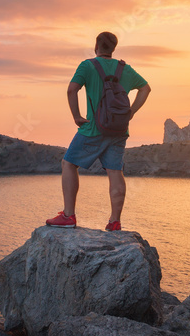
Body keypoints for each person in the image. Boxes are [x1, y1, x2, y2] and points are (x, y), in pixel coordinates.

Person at [45, 31, 151, 231]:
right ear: (113, 48)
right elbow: (146, 88)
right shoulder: (125, 69)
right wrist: (131, 112)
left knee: (68, 164)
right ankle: (114, 222)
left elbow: (71, 90)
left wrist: (76, 116)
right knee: (115, 171)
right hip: (119, 130)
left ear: (96, 47)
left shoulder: (87, 66)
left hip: (93, 128)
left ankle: (68, 216)